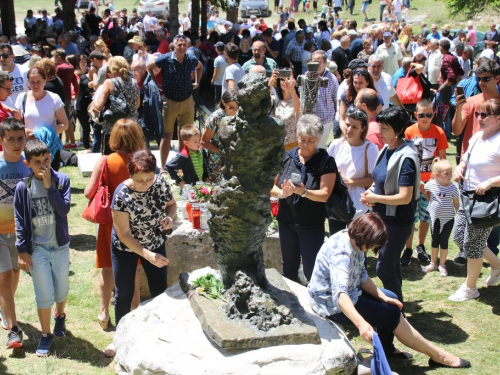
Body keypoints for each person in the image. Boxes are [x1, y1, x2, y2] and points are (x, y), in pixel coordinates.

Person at [308, 213, 471, 369]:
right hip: (330, 305)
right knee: (391, 314)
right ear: (364, 236)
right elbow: (340, 295)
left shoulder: (353, 239)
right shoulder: (342, 254)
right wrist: (361, 324)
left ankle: (386, 348)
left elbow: (361, 275)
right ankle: (438, 355)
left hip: (349, 292)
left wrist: (383, 297)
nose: (372, 248)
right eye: (372, 245)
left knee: (391, 297)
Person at [84, 119, 145, 337]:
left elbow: (88, 192)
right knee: (133, 268)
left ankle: (103, 313)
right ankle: (134, 310)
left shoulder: (105, 160)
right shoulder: (141, 160)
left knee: (107, 268)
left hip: (109, 222)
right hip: (134, 222)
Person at [15, 139, 71, 357]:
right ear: (27, 163)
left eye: (46, 160)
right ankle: (46, 334)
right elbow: (20, 220)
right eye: (37, 162)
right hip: (37, 248)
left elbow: (64, 209)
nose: (43, 165)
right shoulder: (23, 187)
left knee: (61, 289)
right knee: (44, 293)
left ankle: (60, 316)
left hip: (59, 246)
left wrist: (50, 187)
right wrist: (21, 250)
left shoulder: (61, 180)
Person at [360, 107, 420, 304]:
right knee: (392, 266)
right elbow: (379, 180)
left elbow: (405, 197)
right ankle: (398, 307)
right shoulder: (386, 149)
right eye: (380, 127)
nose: (379, 132)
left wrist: (376, 198)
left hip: (398, 222)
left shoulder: (407, 157)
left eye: (384, 129)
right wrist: (370, 192)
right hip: (383, 219)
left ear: (399, 129)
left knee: (383, 268)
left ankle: (395, 312)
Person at [111, 149, 176, 325]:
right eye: (139, 180)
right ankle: (120, 336)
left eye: (149, 178)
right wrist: (146, 254)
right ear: (130, 174)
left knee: (160, 291)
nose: (145, 183)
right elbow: (123, 234)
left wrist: (169, 218)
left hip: (154, 242)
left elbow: (171, 204)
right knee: (124, 294)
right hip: (125, 248)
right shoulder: (121, 195)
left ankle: (158, 331)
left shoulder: (160, 182)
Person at [270, 114, 337, 282]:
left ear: (319, 139)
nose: (305, 145)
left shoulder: (325, 161)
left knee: (312, 272)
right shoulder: (286, 157)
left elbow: (324, 194)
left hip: (311, 225)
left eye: (311, 140)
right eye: (302, 139)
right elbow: (271, 187)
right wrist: (282, 194)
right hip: (286, 222)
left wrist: (304, 192)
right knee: (289, 269)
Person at [450, 99, 500, 301]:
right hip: (468, 197)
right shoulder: (477, 137)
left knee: (473, 245)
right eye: (478, 114)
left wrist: (489, 182)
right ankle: (496, 265)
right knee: (458, 237)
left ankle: (470, 288)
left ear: (498, 118)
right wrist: (460, 167)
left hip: (486, 201)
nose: (479, 118)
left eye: (485, 115)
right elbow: (465, 159)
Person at [452, 60, 500, 266]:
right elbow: (456, 130)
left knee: (492, 222)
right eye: (478, 79)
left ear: (497, 79)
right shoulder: (471, 102)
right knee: (468, 221)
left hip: (494, 169)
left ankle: (489, 260)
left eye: (486, 79)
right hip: (468, 166)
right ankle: (479, 257)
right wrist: (459, 107)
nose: (481, 83)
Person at [401, 99, 448, 266]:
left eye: (429, 115)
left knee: (425, 217)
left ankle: (420, 246)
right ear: (415, 115)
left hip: (431, 183)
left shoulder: (439, 132)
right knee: (409, 217)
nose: (425, 118)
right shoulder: (408, 132)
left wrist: (434, 182)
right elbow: (404, 159)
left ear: (433, 114)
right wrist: (417, 182)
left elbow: (442, 160)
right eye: (421, 115)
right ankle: (407, 248)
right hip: (412, 183)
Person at [146, 35, 203, 169]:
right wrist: (157, 84)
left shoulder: (191, 58)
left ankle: (181, 166)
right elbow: (149, 67)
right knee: (167, 136)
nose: (182, 47)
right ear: (174, 46)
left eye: (184, 45)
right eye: (179, 45)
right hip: (169, 101)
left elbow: (199, 67)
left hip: (187, 101)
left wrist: (197, 82)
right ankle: (164, 167)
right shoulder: (166, 58)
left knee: (185, 136)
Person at [0, 118, 31, 350]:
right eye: (10, 139)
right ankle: (13, 329)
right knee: (5, 278)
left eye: (20, 138)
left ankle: (3, 308)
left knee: (14, 273)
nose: (16, 143)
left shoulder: (28, 166)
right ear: (2, 140)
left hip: (18, 233)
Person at [327, 108, 378, 235]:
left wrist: (350, 181)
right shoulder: (336, 144)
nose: (349, 130)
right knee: (336, 241)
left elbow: (373, 179)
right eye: (347, 125)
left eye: (355, 127)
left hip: (358, 205)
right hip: (336, 203)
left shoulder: (370, 149)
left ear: (363, 128)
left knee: (358, 244)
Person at [15, 67, 68, 171]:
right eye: (32, 82)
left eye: (39, 81)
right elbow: (16, 125)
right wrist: (24, 131)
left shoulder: (54, 98)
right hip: (29, 147)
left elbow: (64, 124)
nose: (35, 85)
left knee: (50, 180)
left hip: (49, 147)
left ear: (45, 81)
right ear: (28, 82)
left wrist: (42, 134)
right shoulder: (22, 98)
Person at [92, 56, 140, 155]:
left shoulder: (109, 83)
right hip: (131, 127)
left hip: (113, 128)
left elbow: (99, 106)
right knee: (130, 158)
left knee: (110, 159)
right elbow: (137, 105)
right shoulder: (134, 82)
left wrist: (94, 102)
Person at [421, 159, 459, 276]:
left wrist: (460, 215)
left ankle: (442, 264)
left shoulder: (453, 188)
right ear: (437, 175)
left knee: (444, 241)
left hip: (448, 219)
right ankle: (433, 263)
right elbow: (425, 190)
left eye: (450, 172)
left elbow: (456, 203)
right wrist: (430, 203)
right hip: (435, 219)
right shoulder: (431, 184)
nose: (450, 176)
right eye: (446, 173)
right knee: (434, 240)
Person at [201, 89, 239, 183]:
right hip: (217, 161)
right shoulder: (215, 118)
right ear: (223, 102)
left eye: (237, 107)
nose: (235, 111)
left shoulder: (240, 115)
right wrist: (221, 152)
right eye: (231, 108)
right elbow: (203, 142)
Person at [131, 59, 164, 148]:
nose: (133, 73)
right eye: (132, 70)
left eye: (136, 71)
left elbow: (155, 111)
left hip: (144, 125)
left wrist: (158, 133)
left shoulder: (150, 86)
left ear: (144, 69)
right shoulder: (131, 83)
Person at [310, 51, 339, 149]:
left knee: (322, 148)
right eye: (314, 62)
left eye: (319, 62)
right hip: (310, 119)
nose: (316, 65)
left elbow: (336, 98)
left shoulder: (331, 78)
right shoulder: (306, 77)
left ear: (325, 63)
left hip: (326, 120)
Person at [338, 68, 376, 136]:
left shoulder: (374, 97)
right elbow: (342, 119)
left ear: (367, 82)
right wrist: (347, 132)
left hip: (367, 134)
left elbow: (374, 118)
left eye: (361, 82)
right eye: (355, 82)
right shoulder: (346, 96)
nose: (357, 86)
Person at [269, 69, 300, 150]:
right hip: (276, 144)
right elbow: (264, 102)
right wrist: (270, 84)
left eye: (288, 78)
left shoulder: (297, 100)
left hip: (292, 145)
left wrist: (292, 89)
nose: (285, 81)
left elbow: (298, 110)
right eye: (282, 79)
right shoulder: (275, 99)